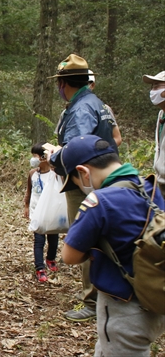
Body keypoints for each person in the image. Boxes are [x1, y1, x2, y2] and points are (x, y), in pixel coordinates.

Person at [59, 135, 165, 356]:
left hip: (124, 308)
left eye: (76, 182)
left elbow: (69, 255)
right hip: (154, 295)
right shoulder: (150, 187)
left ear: (83, 172)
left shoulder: (100, 202)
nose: (80, 187)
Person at [47, 53, 117, 322]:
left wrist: (54, 155)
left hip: (86, 184)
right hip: (101, 178)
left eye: (60, 83)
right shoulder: (96, 103)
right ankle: (96, 292)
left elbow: (77, 150)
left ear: (64, 83)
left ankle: (91, 300)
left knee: (86, 237)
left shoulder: (81, 109)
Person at [23, 143, 59, 283]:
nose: (33, 159)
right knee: (39, 241)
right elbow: (29, 191)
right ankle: (40, 268)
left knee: (53, 238)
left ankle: (51, 259)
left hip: (51, 212)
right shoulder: (33, 173)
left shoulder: (54, 174)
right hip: (36, 212)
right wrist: (26, 206)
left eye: (35, 156)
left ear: (44, 157)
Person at [144, 70, 165, 198]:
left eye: (157, 86)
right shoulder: (161, 114)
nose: (153, 91)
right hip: (161, 182)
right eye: (152, 86)